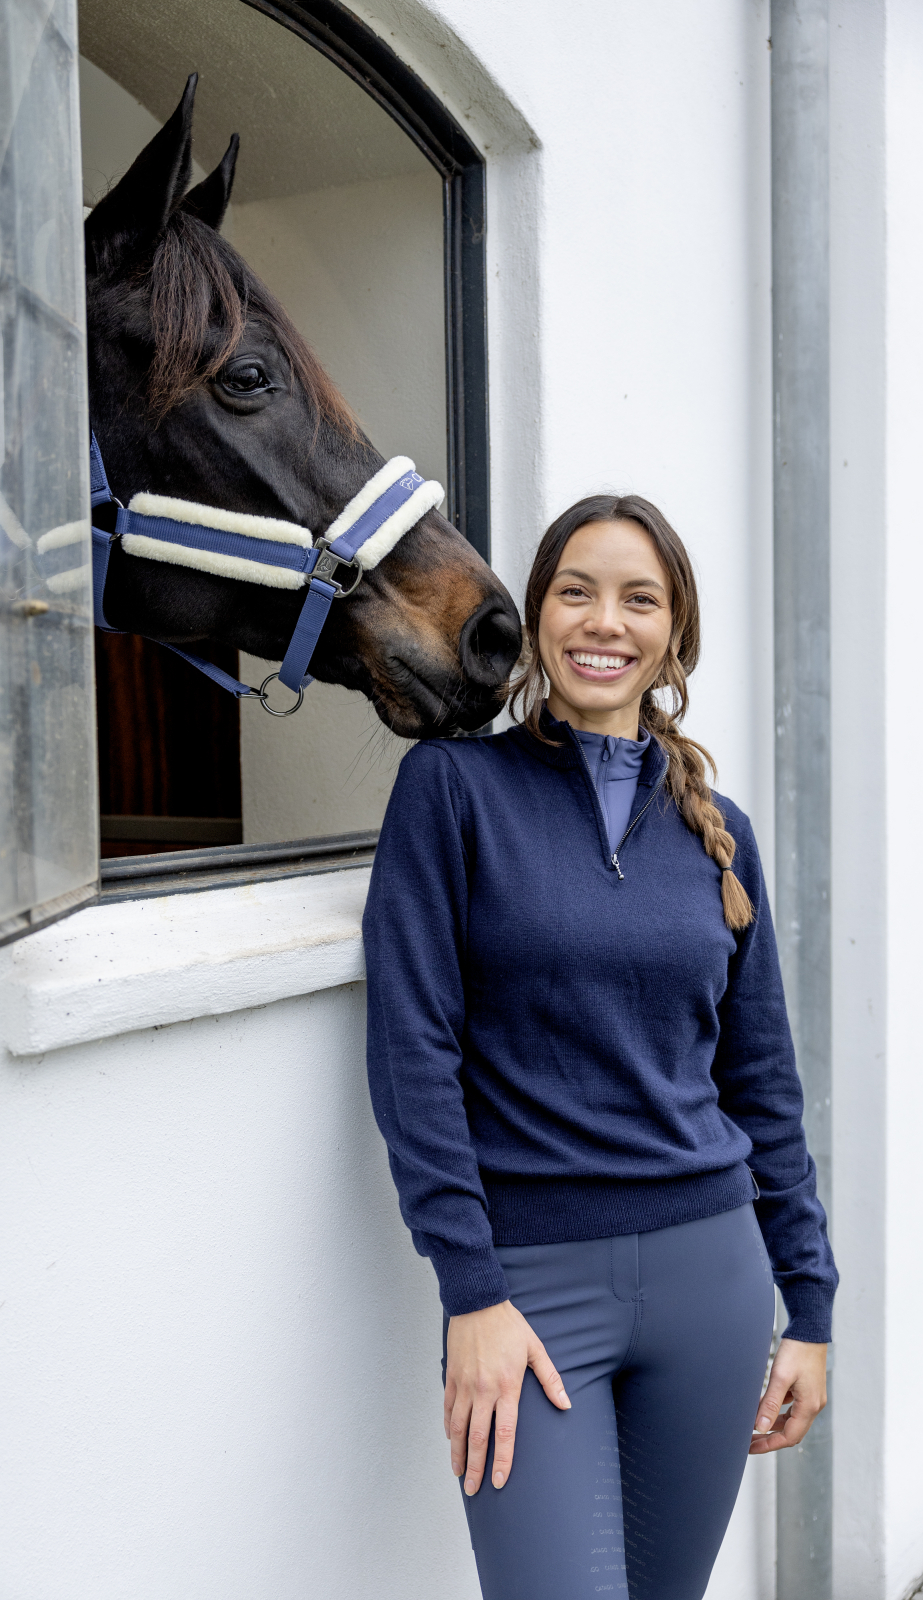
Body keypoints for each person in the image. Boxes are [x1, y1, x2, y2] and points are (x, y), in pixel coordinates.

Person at [362, 495, 837, 1600]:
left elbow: (760, 1082)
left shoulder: (718, 832)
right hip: (527, 1293)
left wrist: (808, 1306)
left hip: (712, 1281)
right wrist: (471, 1291)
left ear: (673, 633)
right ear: (536, 614)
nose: (603, 622)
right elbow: (412, 1054)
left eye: (639, 599)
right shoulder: (452, 790)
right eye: (575, 591)